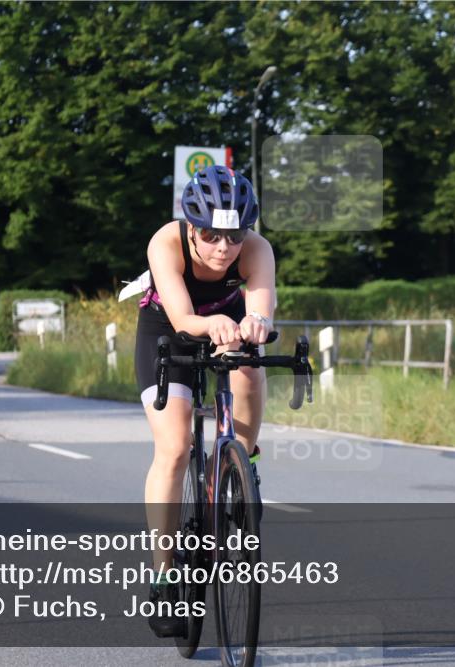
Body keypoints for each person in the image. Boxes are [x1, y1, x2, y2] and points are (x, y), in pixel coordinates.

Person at [133, 165, 274, 638]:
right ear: (192, 227)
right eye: (211, 235)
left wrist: (255, 324)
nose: (223, 248)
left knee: (251, 370)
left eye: (233, 237)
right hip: (167, 329)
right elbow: (182, 315)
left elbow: (261, 306)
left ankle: (240, 464)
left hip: (228, 321)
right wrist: (207, 326)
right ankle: (162, 576)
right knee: (173, 448)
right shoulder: (165, 242)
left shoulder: (257, 250)